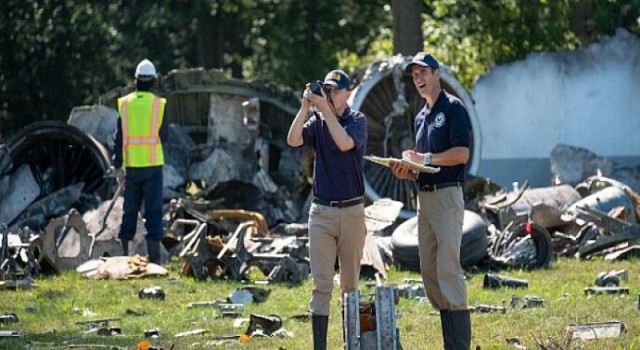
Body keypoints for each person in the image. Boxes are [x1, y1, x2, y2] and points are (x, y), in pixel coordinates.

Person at [389, 52, 472, 349]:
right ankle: (449, 340)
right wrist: (405, 171)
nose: (419, 79)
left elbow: (461, 154)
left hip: (448, 195)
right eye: (414, 75)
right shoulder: (420, 117)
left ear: (437, 74)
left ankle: (458, 345)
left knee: (448, 268)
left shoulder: (453, 108)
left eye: (424, 72)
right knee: (429, 273)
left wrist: (423, 158)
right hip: (423, 199)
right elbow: (424, 168)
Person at [286, 70, 367, 350]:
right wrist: (305, 106)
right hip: (321, 213)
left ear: (347, 94)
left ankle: (350, 344)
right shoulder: (318, 121)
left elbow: (345, 143)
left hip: (352, 212)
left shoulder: (357, 121)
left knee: (349, 285)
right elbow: (293, 140)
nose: (330, 95)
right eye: (327, 89)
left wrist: (324, 111)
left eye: (334, 91)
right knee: (321, 285)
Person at [112, 58, 167, 264]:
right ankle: (155, 262)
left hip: (132, 167)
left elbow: (119, 137)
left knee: (129, 212)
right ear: (154, 81)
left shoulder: (124, 104)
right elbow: (166, 137)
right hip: (153, 166)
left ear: (136, 80)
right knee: (154, 213)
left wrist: (117, 163)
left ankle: (123, 260)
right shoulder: (159, 105)